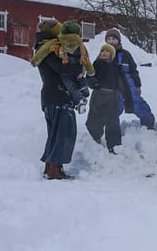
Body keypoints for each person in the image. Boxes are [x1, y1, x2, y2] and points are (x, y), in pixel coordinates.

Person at [32, 19, 89, 180]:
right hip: (58, 95)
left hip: (52, 96)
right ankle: (54, 170)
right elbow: (61, 68)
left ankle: (51, 167)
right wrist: (79, 69)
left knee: (55, 133)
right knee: (64, 133)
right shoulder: (50, 48)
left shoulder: (43, 46)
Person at [31, 19, 94, 112]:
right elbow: (62, 68)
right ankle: (81, 93)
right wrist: (86, 69)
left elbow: (43, 52)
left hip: (53, 98)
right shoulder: (54, 44)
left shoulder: (51, 44)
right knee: (70, 81)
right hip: (58, 100)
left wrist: (35, 60)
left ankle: (81, 93)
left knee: (70, 82)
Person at [105, 28, 156, 130]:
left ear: (118, 40)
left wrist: (138, 85)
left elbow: (133, 70)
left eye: (113, 39)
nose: (111, 41)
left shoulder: (126, 54)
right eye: (109, 39)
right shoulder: (104, 54)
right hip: (113, 86)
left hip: (128, 84)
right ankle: (112, 129)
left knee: (137, 103)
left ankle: (149, 124)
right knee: (114, 107)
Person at [85, 43, 122, 154]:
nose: (104, 53)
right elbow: (90, 76)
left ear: (112, 54)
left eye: (107, 51)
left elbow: (121, 80)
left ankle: (114, 145)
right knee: (94, 119)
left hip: (113, 97)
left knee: (113, 122)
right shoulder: (96, 64)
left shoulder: (116, 66)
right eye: (102, 51)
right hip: (98, 95)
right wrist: (94, 83)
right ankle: (96, 137)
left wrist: (124, 91)